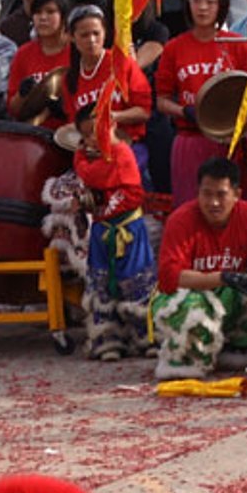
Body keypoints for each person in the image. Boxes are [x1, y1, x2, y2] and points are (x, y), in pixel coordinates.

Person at [151, 158, 247, 378]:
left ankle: (243, 345)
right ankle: (187, 357)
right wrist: (220, 278)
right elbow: (170, 277)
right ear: (198, 192)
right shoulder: (180, 220)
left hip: (235, 297)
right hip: (195, 295)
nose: (213, 203)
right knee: (186, 303)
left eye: (221, 195)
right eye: (207, 194)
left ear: (236, 194)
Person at [70, 106, 154, 360]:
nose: (93, 139)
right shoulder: (83, 158)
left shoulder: (123, 153)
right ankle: (108, 339)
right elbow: (89, 180)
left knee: (136, 281)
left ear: (112, 125)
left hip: (129, 228)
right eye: (87, 136)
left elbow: (131, 193)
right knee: (101, 283)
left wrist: (101, 206)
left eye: (97, 132)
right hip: (101, 230)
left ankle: (146, 336)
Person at [156, 0, 243, 209]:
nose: (202, 7)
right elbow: (161, 101)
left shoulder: (238, 44)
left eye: (210, 1)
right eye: (196, 0)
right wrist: (184, 111)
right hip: (190, 140)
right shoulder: (174, 47)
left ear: (221, 6)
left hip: (229, 142)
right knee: (191, 209)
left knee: (231, 211)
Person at [63, 6, 151, 178]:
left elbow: (144, 112)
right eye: (84, 35)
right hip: (92, 155)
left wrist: (112, 116)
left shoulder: (123, 64)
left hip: (128, 149)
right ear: (71, 38)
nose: (92, 40)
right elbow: (75, 125)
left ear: (105, 33)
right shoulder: (70, 78)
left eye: (96, 33)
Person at [7, 0, 73, 127]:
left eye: (50, 12)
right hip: (33, 134)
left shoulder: (78, 51)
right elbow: (13, 109)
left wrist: (65, 109)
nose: (42, 18)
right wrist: (22, 94)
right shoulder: (23, 53)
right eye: (38, 12)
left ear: (64, 17)